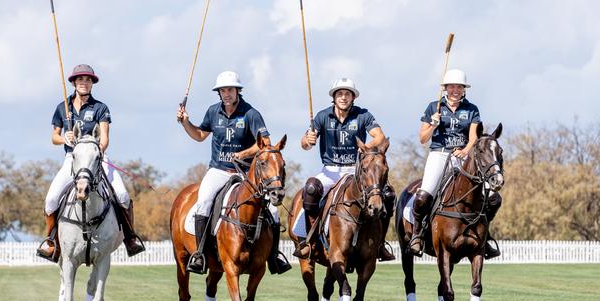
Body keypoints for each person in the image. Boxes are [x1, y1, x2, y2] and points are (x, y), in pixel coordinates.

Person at [176, 70, 291, 274]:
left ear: (237, 91)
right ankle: (200, 255)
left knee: (272, 211)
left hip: (246, 174)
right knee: (203, 203)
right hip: (218, 170)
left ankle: (274, 257)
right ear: (218, 93)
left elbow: (264, 145)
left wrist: (243, 154)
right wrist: (186, 122)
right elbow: (200, 135)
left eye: (230, 89)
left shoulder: (251, 113)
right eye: (222, 90)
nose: (226, 93)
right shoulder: (213, 112)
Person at [37, 64, 145, 262]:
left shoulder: (100, 108)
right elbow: (54, 137)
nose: (84, 83)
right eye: (80, 80)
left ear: (92, 83)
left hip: (96, 159)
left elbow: (104, 139)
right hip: (72, 160)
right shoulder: (63, 107)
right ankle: (51, 242)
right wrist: (65, 138)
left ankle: (130, 237)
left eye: (88, 80)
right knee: (51, 199)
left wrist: (95, 152)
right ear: (73, 83)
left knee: (122, 195)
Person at [294, 78, 396, 261]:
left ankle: (379, 245)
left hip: (355, 172)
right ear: (334, 97)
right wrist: (307, 140)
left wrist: (366, 147)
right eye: (339, 94)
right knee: (310, 188)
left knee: (388, 194)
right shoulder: (323, 116)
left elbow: (379, 136)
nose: (343, 97)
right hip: (329, 171)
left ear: (353, 98)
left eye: (347, 94)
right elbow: (304, 144)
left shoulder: (363, 115)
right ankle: (310, 242)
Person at [408, 69, 501, 259]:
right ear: (446, 88)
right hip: (439, 154)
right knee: (423, 197)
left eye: (459, 87)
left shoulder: (471, 109)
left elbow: (474, 136)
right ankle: (417, 235)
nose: (455, 90)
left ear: (464, 89)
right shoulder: (433, 107)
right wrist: (433, 124)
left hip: (463, 157)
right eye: (452, 86)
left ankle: (485, 235)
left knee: (492, 197)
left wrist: (466, 150)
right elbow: (422, 139)